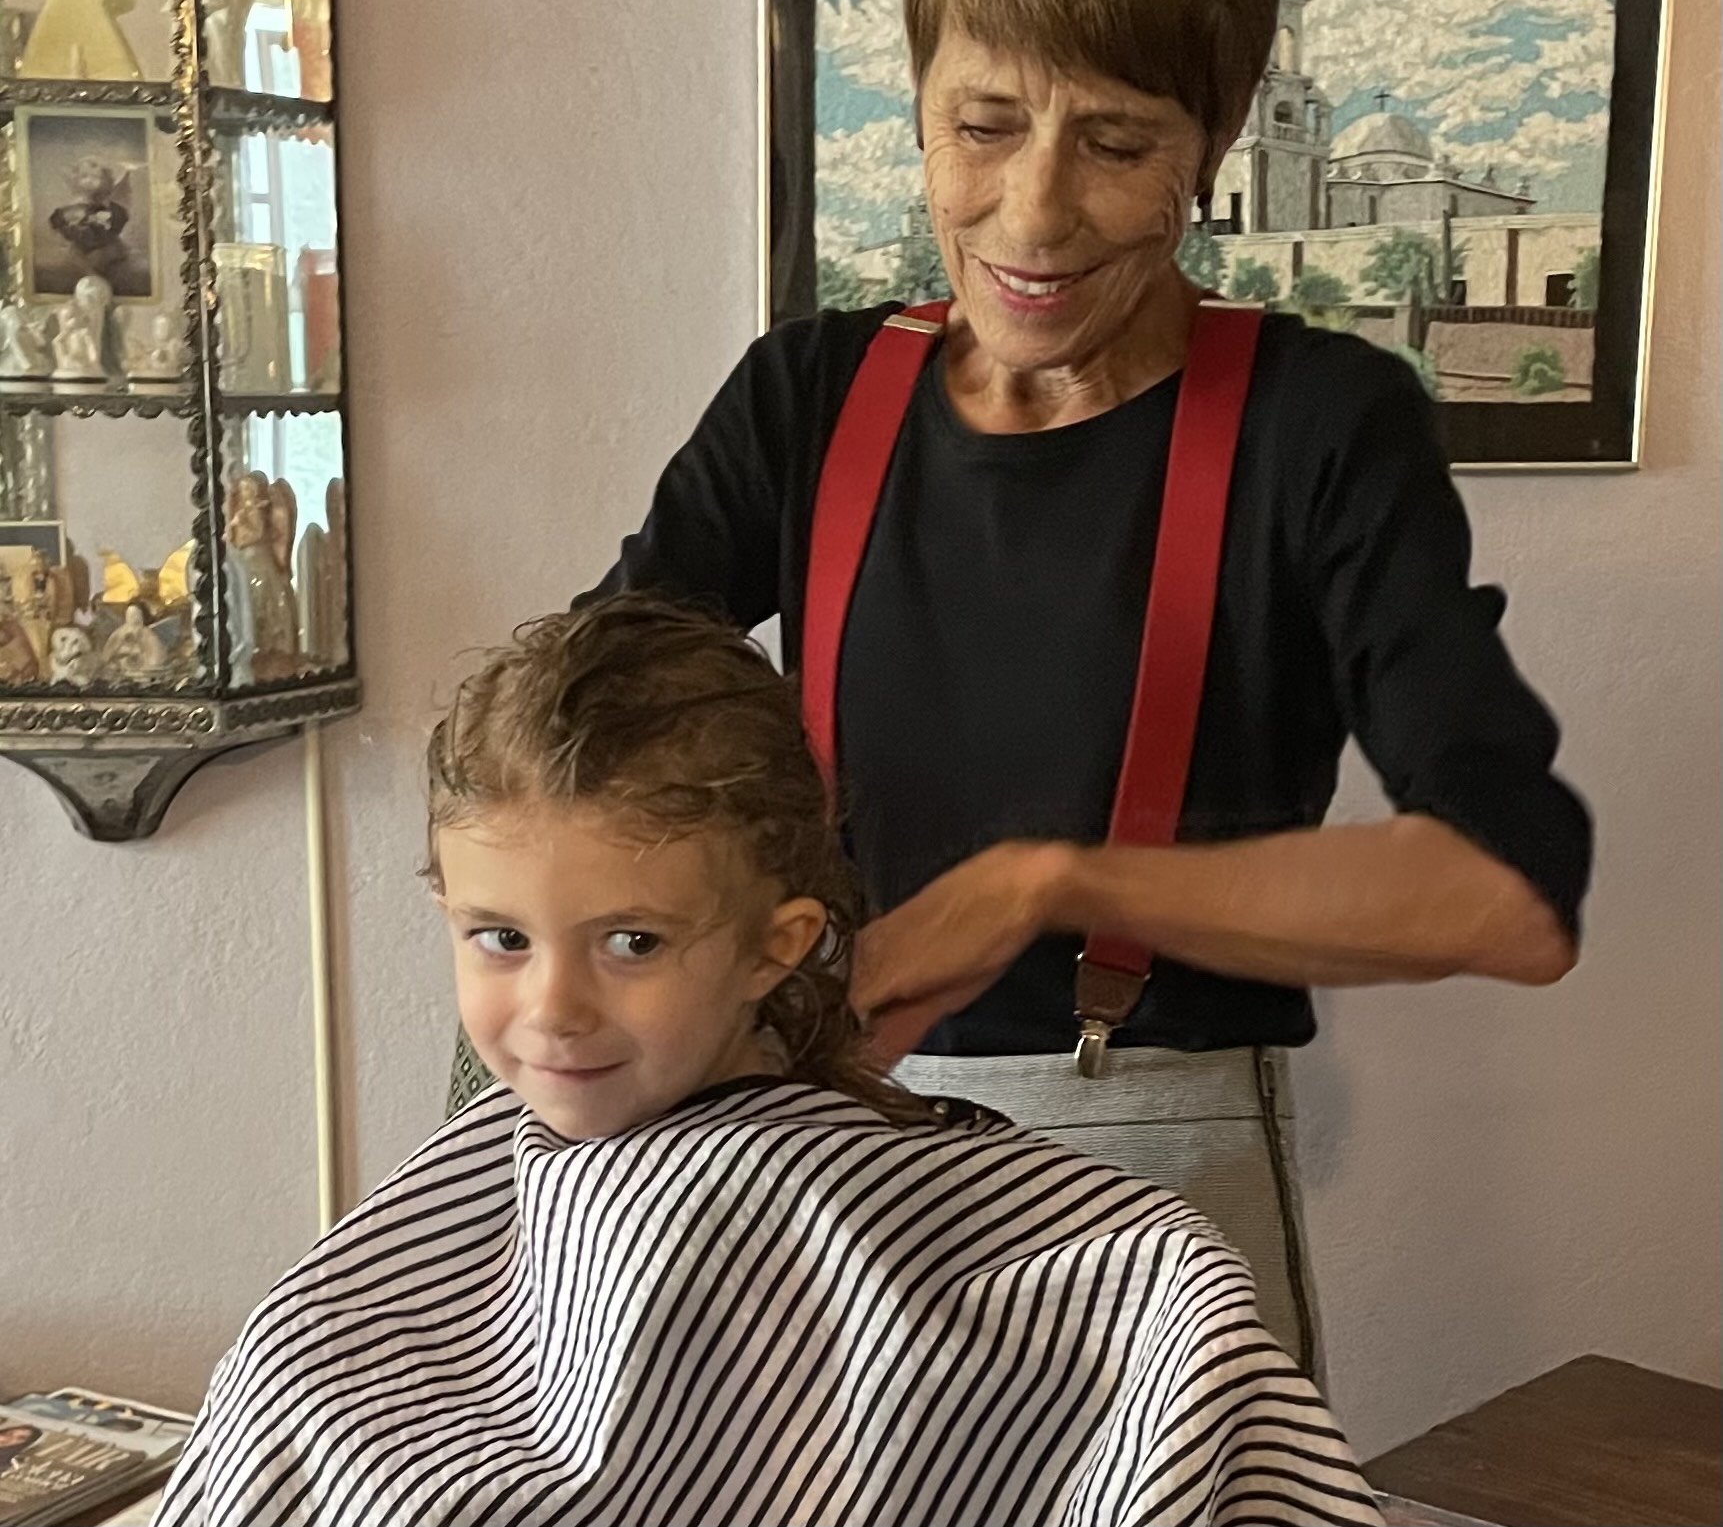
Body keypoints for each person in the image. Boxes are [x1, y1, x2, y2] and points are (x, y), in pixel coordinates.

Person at [478, 0, 1593, 1375]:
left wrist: (1049, 887)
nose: (1034, 212)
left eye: (1116, 141)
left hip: (1155, 1177)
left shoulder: (1318, 432)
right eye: (981, 124)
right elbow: (579, 755)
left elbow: (1509, 889)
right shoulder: (807, 398)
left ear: (1208, 144)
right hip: (809, 1169)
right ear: (916, 97)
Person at [159, 596, 1378, 1527]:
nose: (552, 1008)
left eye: (631, 941)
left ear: (772, 945)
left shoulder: (935, 1224)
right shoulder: (473, 1178)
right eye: (501, 938)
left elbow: (1173, 1341)